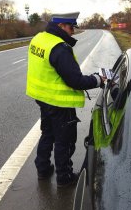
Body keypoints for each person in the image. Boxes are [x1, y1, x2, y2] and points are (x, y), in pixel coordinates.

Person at [26, 12, 105, 187]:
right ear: (61, 26)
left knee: (47, 133)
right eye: (71, 28)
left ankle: (43, 169)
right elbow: (76, 81)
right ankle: (64, 176)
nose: (73, 32)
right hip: (60, 103)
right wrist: (98, 79)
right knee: (65, 141)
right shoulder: (59, 48)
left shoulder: (39, 38)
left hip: (42, 98)